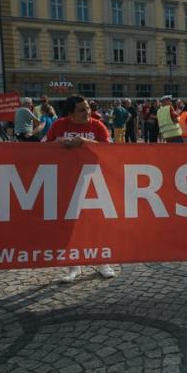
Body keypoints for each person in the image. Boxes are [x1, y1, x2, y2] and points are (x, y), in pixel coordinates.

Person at [45, 95, 117, 283]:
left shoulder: (97, 125)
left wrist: (85, 141)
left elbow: (110, 149)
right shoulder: (59, 125)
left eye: (88, 108)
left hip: (95, 179)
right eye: (82, 110)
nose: (88, 113)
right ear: (70, 114)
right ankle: (73, 266)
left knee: (96, 222)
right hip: (67, 180)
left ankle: (102, 262)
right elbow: (43, 147)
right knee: (70, 223)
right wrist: (57, 143)